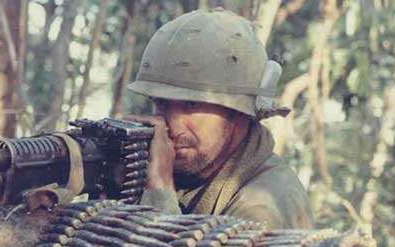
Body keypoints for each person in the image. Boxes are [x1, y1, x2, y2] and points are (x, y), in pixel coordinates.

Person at [126, 7, 313, 229]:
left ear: (239, 113)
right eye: (162, 103)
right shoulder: (190, 171)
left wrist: (159, 193)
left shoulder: (266, 201)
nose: (171, 126)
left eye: (191, 105)